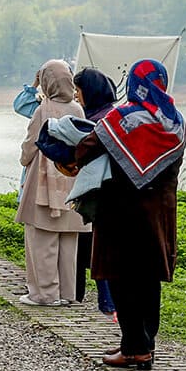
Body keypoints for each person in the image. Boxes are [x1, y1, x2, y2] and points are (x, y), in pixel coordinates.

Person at [70, 59, 186, 370]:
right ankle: (145, 343)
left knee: (123, 279)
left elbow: (86, 149)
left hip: (121, 214)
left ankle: (133, 348)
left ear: (134, 84)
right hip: (159, 216)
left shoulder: (122, 117)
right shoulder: (176, 123)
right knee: (149, 281)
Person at [16, 59, 85, 306]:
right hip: (72, 179)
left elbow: (30, 145)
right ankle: (67, 294)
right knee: (68, 241)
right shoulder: (77, 109)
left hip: (44, 182)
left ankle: (44, 294)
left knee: (42, 239)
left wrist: (24, 160)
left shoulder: (42, 109)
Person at [71, 68, 117, 320]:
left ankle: (108, 302)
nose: (77, 97)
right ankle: (104, 300)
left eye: (79, 91)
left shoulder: (103, 119)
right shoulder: (99, 113)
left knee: (101, 246)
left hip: (103, 193)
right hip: (97, 191)